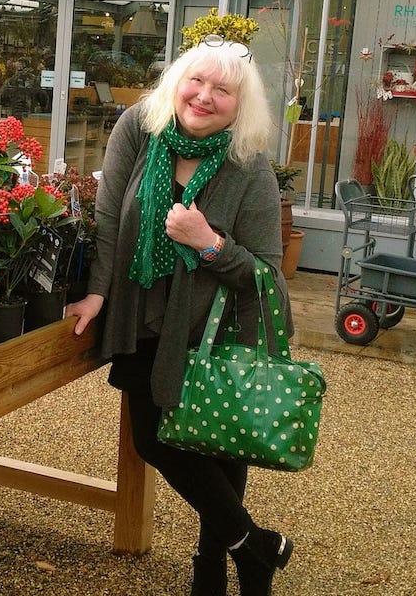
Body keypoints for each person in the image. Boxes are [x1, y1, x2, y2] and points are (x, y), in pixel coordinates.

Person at [65, 35, 294, 596]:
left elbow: (267, 277)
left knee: (220, 444)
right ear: (177, 83)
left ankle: (211, 568)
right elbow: (109, 218)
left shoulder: (251, 171)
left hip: (216, 332)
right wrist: (97, 293)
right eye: (197, 81)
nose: (205, 96)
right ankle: (254, 547)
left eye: (223, 90)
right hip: (143, 321)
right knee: (154, 439)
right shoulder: (137, 130)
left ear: (241, 106)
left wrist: (210, 242)